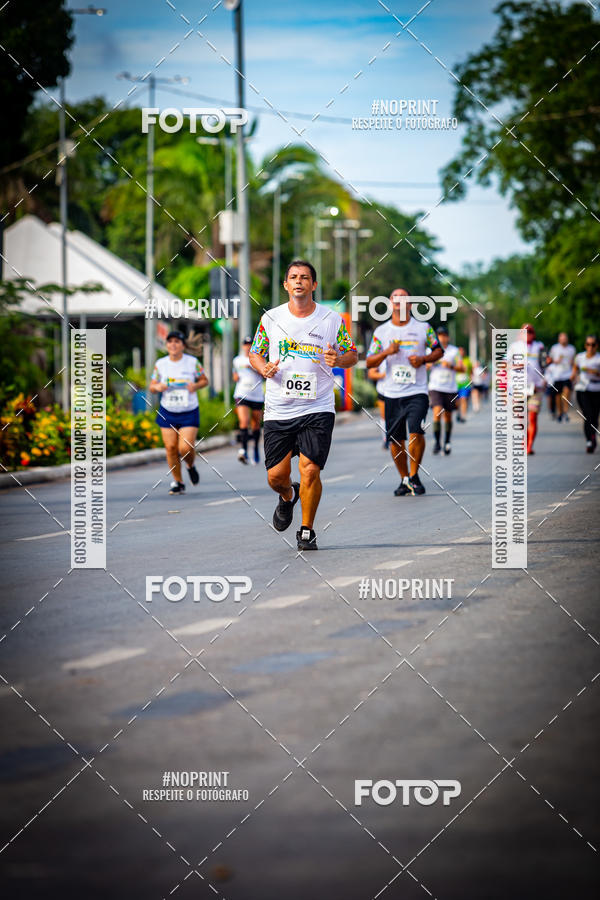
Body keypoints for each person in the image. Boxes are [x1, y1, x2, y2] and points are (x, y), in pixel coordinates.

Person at [249, 260, 357, 551]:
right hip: (279, 408)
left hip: (317, 406)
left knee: (310, 470)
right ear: (285, 284)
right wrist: (263, 368)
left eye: (305, 278)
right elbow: (254, 354)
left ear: (314, 285)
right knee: (276, 476)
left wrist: (340, 360)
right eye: (294, 277)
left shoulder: (331, 320)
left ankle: (306, 530)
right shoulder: (271, 319)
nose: (299, 282)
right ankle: (287, 496)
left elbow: (352, 354)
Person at [366, 288, 442, 495]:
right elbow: (369, 360)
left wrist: (423, 359)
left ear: (410, 304)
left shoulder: (423, 327)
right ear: (390, 304)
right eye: (395, 298)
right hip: (391, 393)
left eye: (404, 298)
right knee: (396, 439)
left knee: (416, 429)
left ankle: (415, 474)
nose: (399, 301)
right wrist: (387, 352)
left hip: (417, 390)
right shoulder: (381, 331)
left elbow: (438, 349)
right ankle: (404, 479)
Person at [150, 330, 208, 494]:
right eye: (170, 342)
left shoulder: (192, 362)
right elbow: (152, 386)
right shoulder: (161, 364)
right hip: (167, 410)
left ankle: (190, 465)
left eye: (177, 341)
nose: (173, 345)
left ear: (183, 345)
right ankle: (178, 481)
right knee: (170, 447)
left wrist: (195, 386)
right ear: (166, 345)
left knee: (185, 448)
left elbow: (204, 380)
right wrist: (158, 387)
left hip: (188, 410)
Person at [509, 323, 546, 455]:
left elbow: (545, 365)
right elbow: (504, 364)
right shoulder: (514, 347)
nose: (527, 334)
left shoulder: (539, 346)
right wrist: (516, 365)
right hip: (519, 387)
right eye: (525, 331)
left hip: (535, 387)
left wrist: (546, 375)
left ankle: (529, 445)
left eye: (530, 331)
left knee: (533, 417)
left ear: (534, 334)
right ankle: (524, 437)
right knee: (520, 417)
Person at [427, 325, 463, 455]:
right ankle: (437, 442)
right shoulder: (430, 350)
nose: (442, 338)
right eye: (439, 335)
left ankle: (447, 441)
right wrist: (432, 362)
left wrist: (451, 365)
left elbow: (462, 368)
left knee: (448, 416)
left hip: (450, 387)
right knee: (437, 412)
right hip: (435, 386)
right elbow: (424, 365)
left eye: (444, 335)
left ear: (447, 337)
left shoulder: (454, 351)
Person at [232, 336, 265, 464]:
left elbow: (264, 374)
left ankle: (255, 448)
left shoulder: (259, 359)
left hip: (256, 394)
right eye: (246, 344)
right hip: (242, 394)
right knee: (244, 421)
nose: (248, 347)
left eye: (250, 344)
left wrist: (252, 368)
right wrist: (236, 376)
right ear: (242, 346)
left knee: (256, 423)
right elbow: (235, 375)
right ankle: (243, 450)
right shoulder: (237, 360)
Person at [571, 335, 600, 453]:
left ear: (596, 346)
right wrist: (572, 378)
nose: (590, 347)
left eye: (593, 345)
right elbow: (575, 369)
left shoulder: (598, 358)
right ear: (585, 345)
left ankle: (593, 436)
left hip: (597, 389)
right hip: (582, 389)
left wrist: (595, 372)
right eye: (588, 344)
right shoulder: (580, 357)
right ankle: (589, 440)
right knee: (587, 415)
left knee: (594, 416)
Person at [547, 332, 576, 422]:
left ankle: (566, 411)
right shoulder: (555, 348)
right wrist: (556, 361)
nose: (564, 340)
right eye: (562, 338)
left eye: (565, 338)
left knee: (567, 392)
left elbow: (574, 361)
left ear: (567, 339)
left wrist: (573, 372)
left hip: (568, 374)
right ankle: (560, 412)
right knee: (558, 395)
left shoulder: (571, 348)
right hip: (557, 375)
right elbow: (549, 360)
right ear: (559, 339)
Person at [367, 360, 388, 449]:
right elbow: (371, 373)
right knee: (384, 416)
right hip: (383, 391)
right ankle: (386, 439)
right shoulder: (381, 355)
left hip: (401, 392)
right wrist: (384, 375)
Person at [455, 347, 472, 422]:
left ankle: (463, 416)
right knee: (457, 401)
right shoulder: (454, 360)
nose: (461, 353)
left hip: (465, 384)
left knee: (464, 399)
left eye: (462, 351)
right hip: (455, 384)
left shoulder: (468, 360)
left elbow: (471, 371)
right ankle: (458, 412)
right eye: (460, 352)